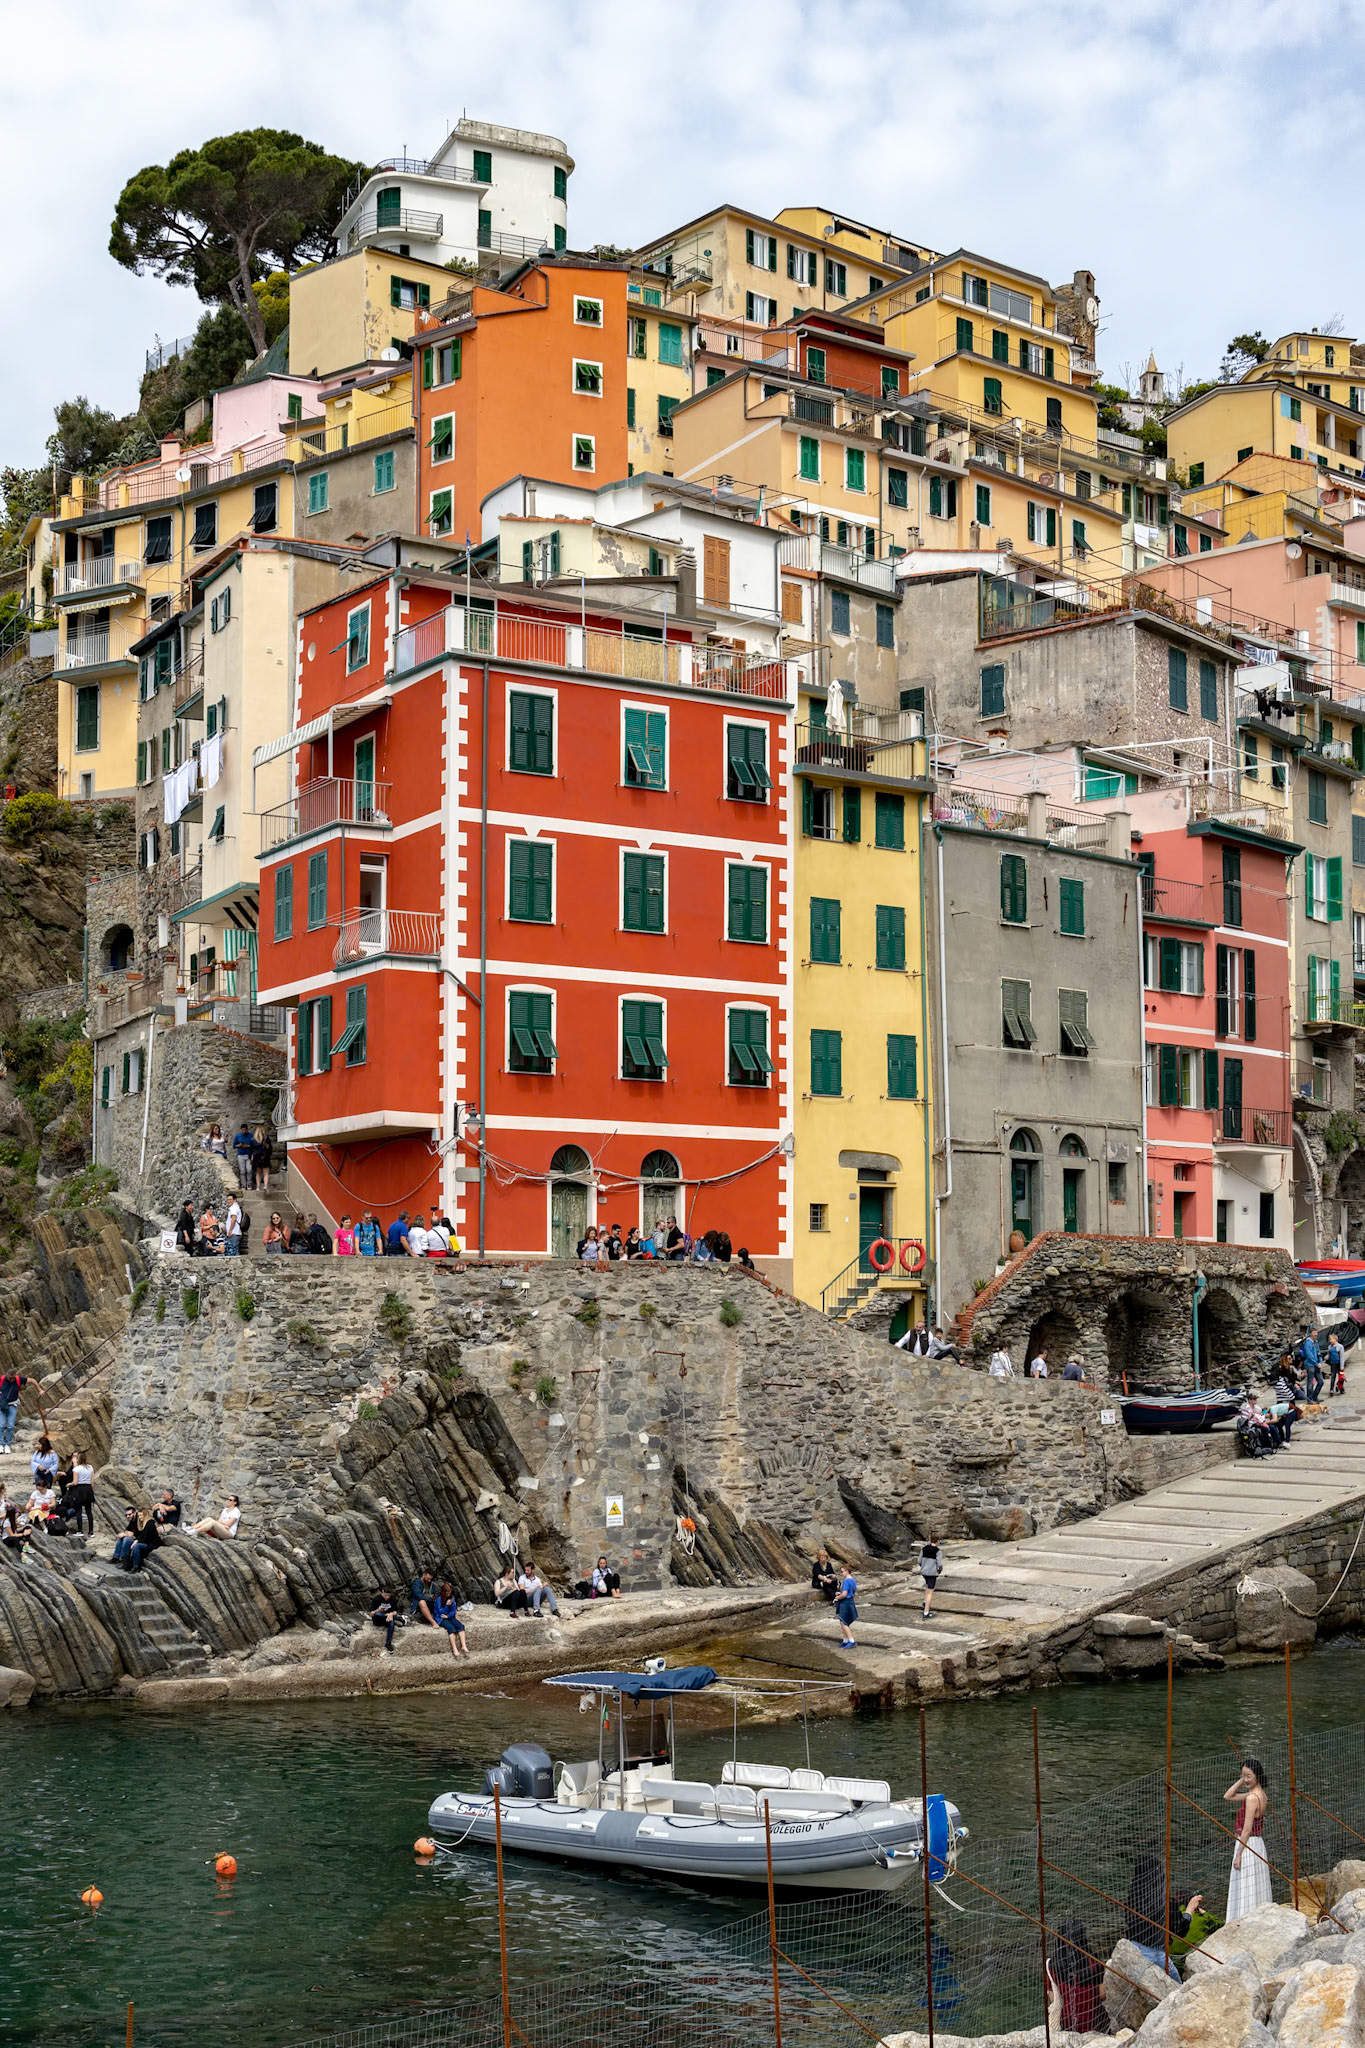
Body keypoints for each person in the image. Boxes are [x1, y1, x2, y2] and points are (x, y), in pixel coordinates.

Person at [1124, 1853, 1200, 1980]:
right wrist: (1189, 1909)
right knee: (1177, 1986)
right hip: (1156, 1954)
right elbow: (1180, 1930)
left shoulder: (1134, 1898)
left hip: (1133, 1947)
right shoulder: (1164, 1904)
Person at [1224, 1757, 1271, 1921]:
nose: (1246, 1779)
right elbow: (1228, 1796)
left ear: (1257, 1776)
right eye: (1243, 1775)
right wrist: (1243, 1779)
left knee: (1246, 1883)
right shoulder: (1259, 1794)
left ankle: (1243, 1918)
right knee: (1255, 1883)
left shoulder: (1251, 1798)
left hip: (1248, 1844)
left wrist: (1238, 1855)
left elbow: (1246, 1829)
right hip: (1257, 1843)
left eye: (1249, 1776)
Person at [1046, 1917, 1108, 2038]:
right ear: (1083, 1938)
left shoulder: (1053, 1965)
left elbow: (1054, 1999)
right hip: (1094, 2024)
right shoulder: (1094, 1962)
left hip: (1067, 2024)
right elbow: (1102, 1995)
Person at [433, 1582, 469, 1658]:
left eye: (450, 1592)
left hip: (449, 1616)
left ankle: (463, 1645)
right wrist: (447, 1605)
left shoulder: (452, 1599)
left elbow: (453, 1610)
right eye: (447, 1592)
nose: (449, 1594)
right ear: (444, 1592)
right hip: (440, 1618)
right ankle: (454, 1648)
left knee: (460, 1626)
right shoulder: (438, 1600)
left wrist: (448, 1615)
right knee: (451, 1628)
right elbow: (440, 1612)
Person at [64, 1449, 95, 1535]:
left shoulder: (76, 1469)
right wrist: (91, 1490)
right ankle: (91, 1531)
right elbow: (92, 1481)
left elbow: (75, 1482)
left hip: (79, 1490)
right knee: (89, 1511)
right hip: (88, 1489)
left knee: (78, 1511)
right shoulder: (90, 1467)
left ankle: (80, 1530)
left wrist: (69, 1484)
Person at [0, 1368, 27, 1452]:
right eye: (10, 1378)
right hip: (2, 1405)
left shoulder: (19, 1379)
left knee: (10, 1426)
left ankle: (8, 1444)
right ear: (6, 1375)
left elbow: (32, 1380)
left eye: (13, 1378)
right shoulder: (2, 1379)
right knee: (1, 1425)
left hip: (13, 1405)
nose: (12, 1380)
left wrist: (40, 1390)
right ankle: (1, 1444)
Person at [919, 1537, 943, 1621]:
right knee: (930, 1592)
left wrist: (924, 1567)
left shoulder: (924, 1549)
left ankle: (925, 1602)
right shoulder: (938, 1551)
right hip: (932, 1574)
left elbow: (919, 1561)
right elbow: (939, 1564)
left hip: (924, 1572)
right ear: (937, 1542)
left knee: (928, 1586)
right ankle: (926, 1613)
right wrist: (939, 1570)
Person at [835, 1567, 858, 1649]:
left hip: (845, 1602)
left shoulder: (846, 1581)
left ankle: (851, 1641)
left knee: (843, 1622)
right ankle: (845, 1640)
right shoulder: (853, 1580)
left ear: (847, 1571)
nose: (841, 1573)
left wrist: (837, 1597)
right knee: (844, 1621)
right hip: (851, 1601)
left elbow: (844, 1594)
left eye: (842, 1571)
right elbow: (851, 1591)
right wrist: (840, 1593)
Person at [251, 1127, 273, 1194]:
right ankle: (265, 1186)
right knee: (266, 1174)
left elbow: (251, 1150)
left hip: (256, 1158)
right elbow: (270, 1149)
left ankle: (258, 1187)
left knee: (258, 1173)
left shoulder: (253, 1140)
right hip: (265, 1157)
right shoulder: (266, 1139)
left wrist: (251, 1158)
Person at [232, 1123, 255, 1189]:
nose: (244, 1131)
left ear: (247, 1129)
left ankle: (249, 1183)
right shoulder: (238, 1136)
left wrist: (247, 1146)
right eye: (242, 1130)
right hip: (241, 1155)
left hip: (249, 1155)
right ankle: (243, 1184)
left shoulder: (251, 1135)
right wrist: (239, 1145)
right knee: (242, 1171)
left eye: (245, 1130)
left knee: (249, 1170)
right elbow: (234, 1145)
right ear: (241, 1130)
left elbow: (254, 1145)